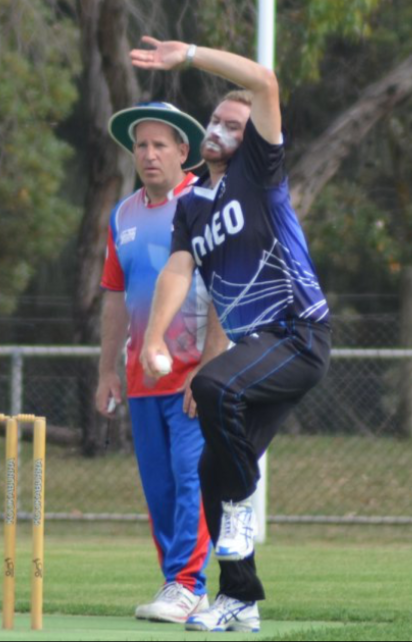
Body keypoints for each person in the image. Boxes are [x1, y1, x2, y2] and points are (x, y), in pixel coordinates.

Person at [133, 38, 331, 633]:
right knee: (217, 472)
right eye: (215, 119)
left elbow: (265, 82)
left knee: (214, 387)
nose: (219, 127)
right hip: (258, 352)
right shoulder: (191, 204)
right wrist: (152, 340)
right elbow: (177, 269)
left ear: (251, 138)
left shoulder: (259, 170)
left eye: (232, 123)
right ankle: (240, 599)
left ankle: (242, 508)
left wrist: (189, 55)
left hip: (297, 333)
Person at [96, 101, 221, 624]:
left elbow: (224, 292)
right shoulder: (122, 215)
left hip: (194, 374)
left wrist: (209, 368)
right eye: (141, 145)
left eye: (159, 145)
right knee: (160, 487)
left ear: (182, 152)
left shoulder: (204, 202)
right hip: (142, 378)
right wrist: (106, 371)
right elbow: (112, 297)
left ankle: (189, 585)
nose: (148, 154)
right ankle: (177, 583)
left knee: (192, 477)